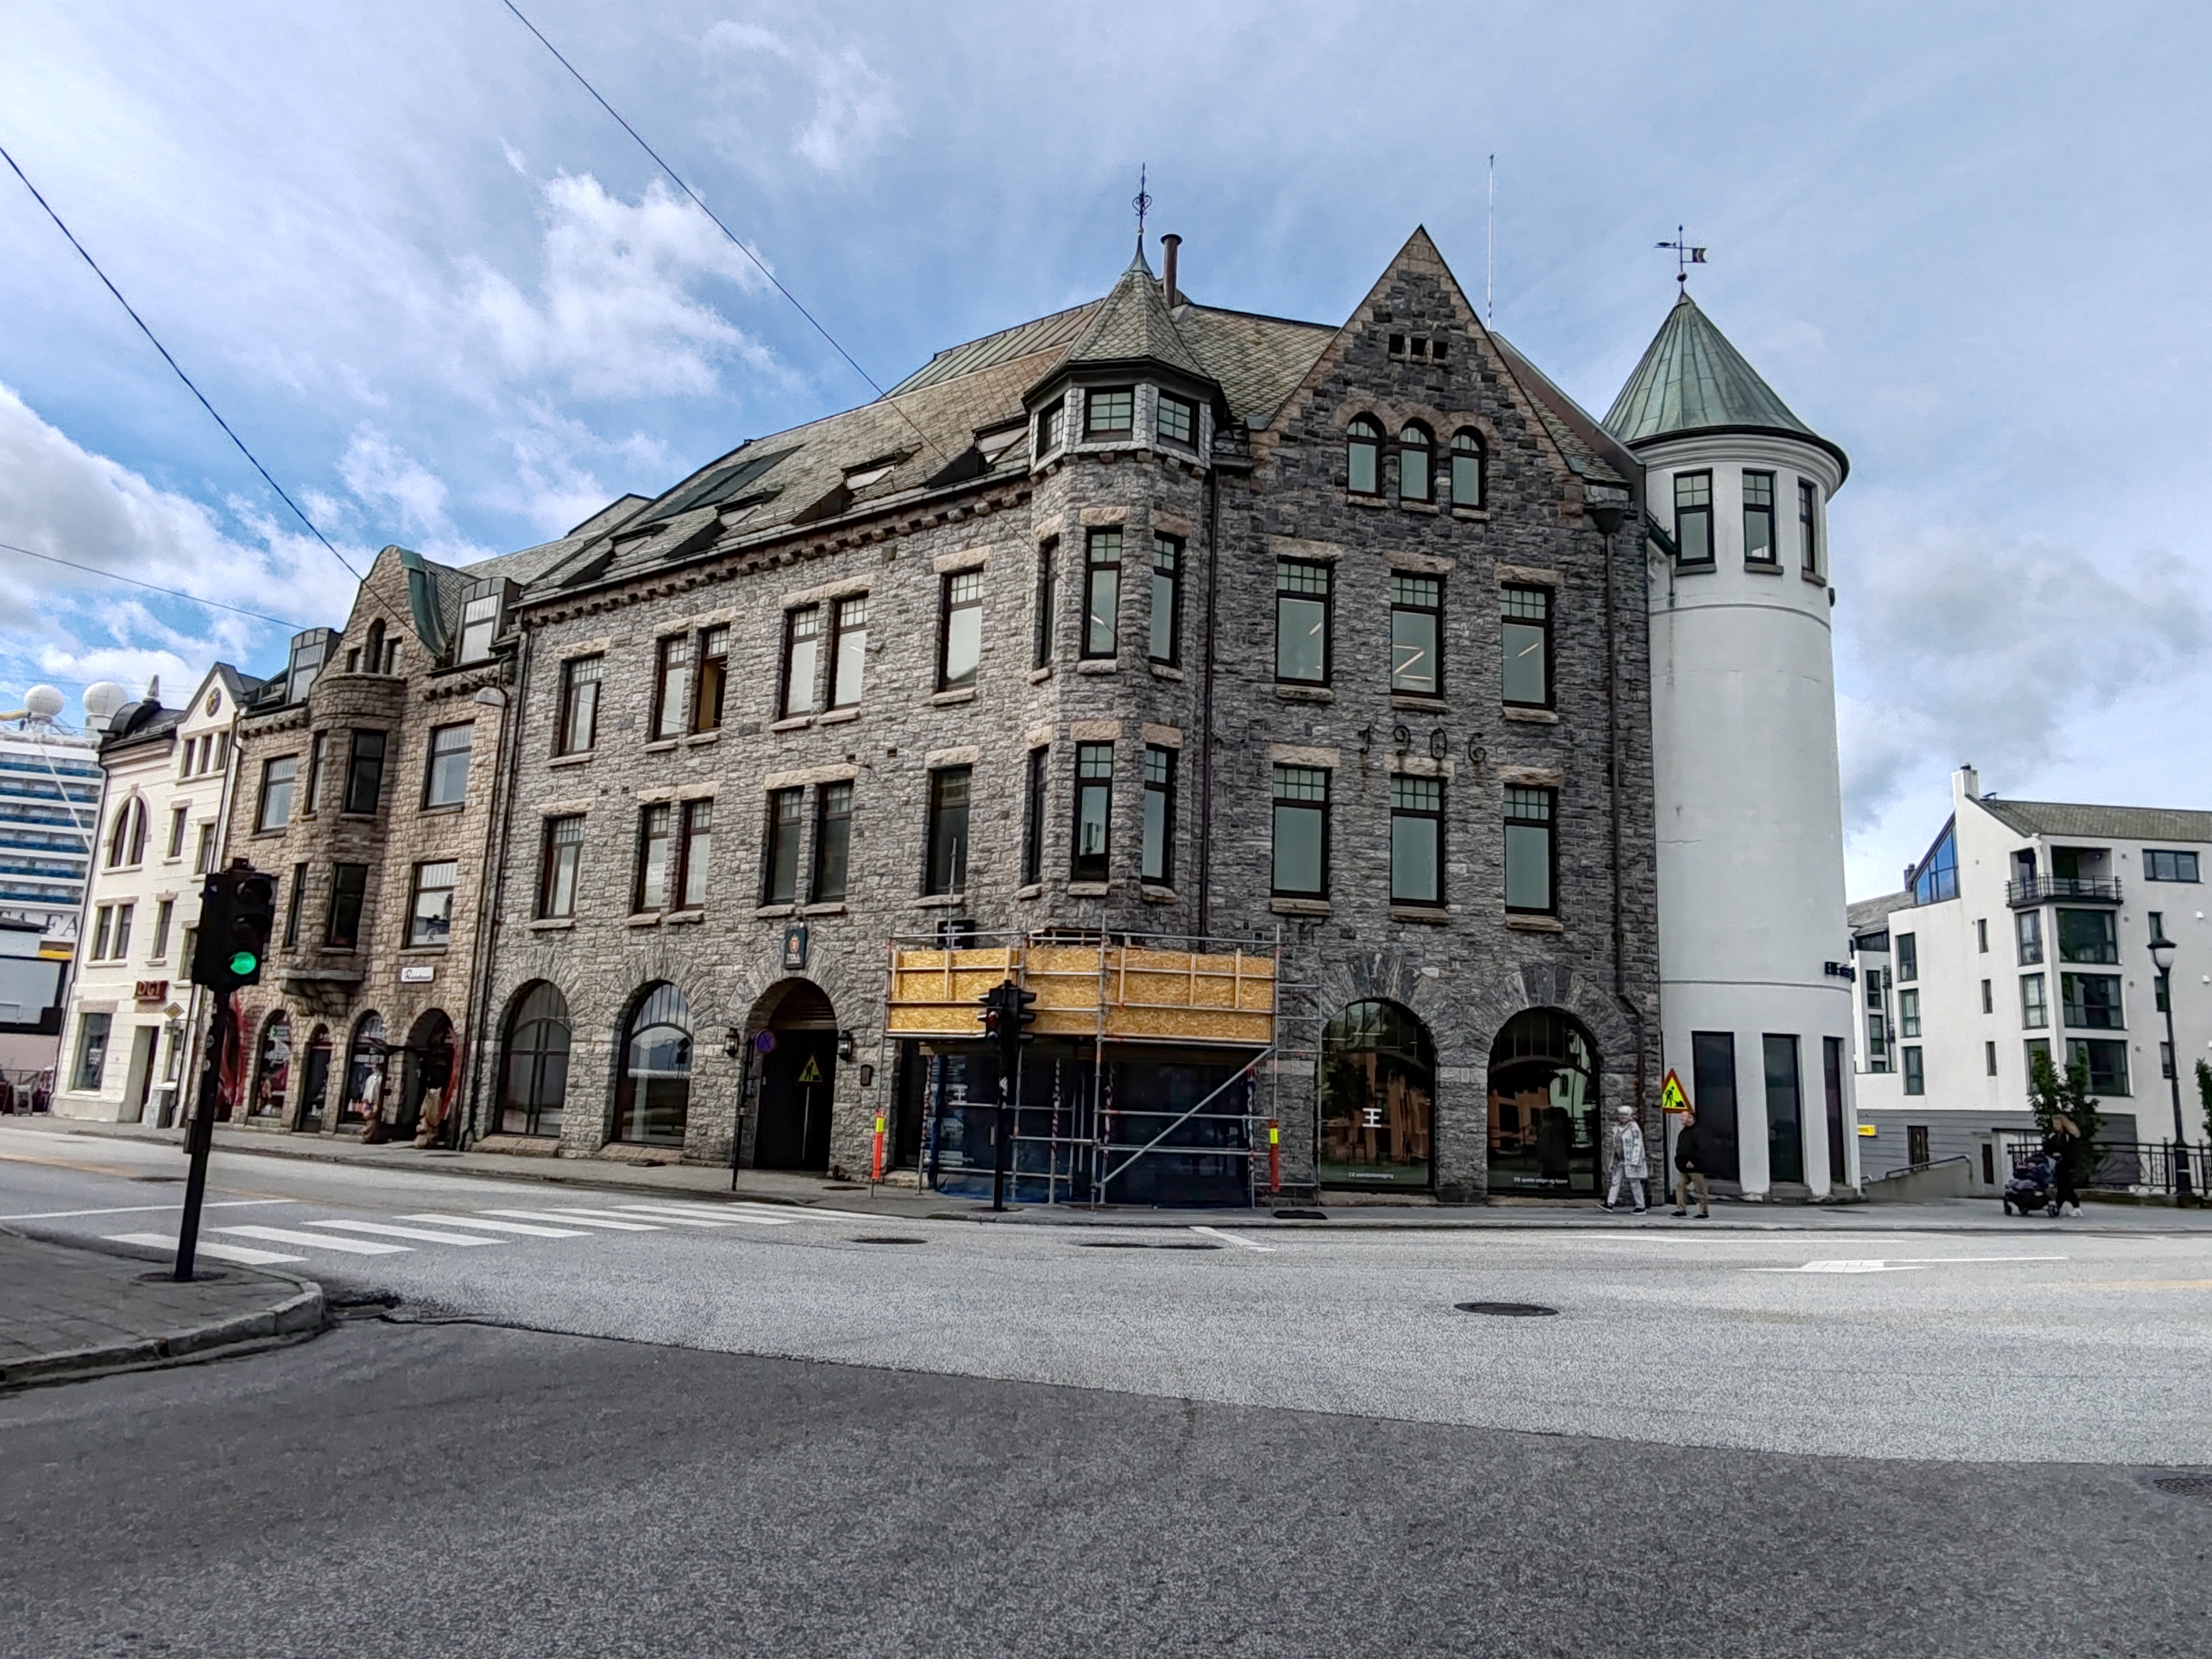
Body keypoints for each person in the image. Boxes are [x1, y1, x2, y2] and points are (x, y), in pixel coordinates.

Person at [1602, 1103, 1650, 1213]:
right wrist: (1612, 1159)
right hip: (1620, 1160)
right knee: (1615, 1181)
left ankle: (1641, 1207)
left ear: (1630, 1116)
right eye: (1620, 1115)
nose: (1622, 1117)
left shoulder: (1634, 1128)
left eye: (1625, 1115)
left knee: (1635, 1183)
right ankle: (1610, 1204)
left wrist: (1636, 1160)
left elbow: (1638, 1144)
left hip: (1632, 1161)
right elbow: (1615, 1146)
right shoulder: (1617, 1128)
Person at [1672, 1109, 1710, 1218]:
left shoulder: (1698, 1132)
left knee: (1700, 1189)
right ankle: (1681, 1209)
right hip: (1684, 1167)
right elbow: (1680, 1148)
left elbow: (1702, 1149)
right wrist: (1678, 1162)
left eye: (1684, 1116)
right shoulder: (1684, 1132)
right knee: (1680, 1187)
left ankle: (1704, 1211)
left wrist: (1693, 1161)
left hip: (1695, 1167)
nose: (1681, 1118)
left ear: (1691, 1118)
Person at [2045, 1113, 2083, 1218]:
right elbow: (2047, 1148)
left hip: (2068, 1164)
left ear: (2063, 1124)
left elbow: (2072, 1151)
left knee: (2063, 1186)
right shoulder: (2054, 1136)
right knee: (2068, 1187)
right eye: (2054, 1124)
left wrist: (2062, 1154)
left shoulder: (2069, 1136)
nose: (2055, 1126)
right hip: (2058, 1164)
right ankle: (2077, 1208)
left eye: (2057, 1123)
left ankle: (2058, 1206)